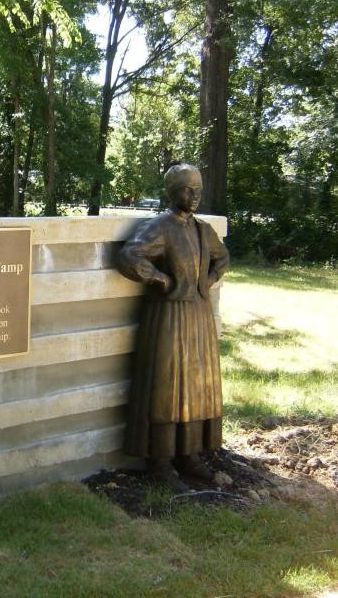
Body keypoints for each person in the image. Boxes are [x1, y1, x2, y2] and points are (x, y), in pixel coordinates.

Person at [117, 163, 229, 492]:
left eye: (198, 189)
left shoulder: (202, 229)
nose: (194, 196)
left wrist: (206, 281)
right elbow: (129, 256)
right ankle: (161, 462)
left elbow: (222, 257)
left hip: (197, 317)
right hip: (167, 318)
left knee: (196, 385)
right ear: (172, 192)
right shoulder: (161, 227)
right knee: (166, 388)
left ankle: (189, 454)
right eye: (186, 189)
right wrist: (161, 279)